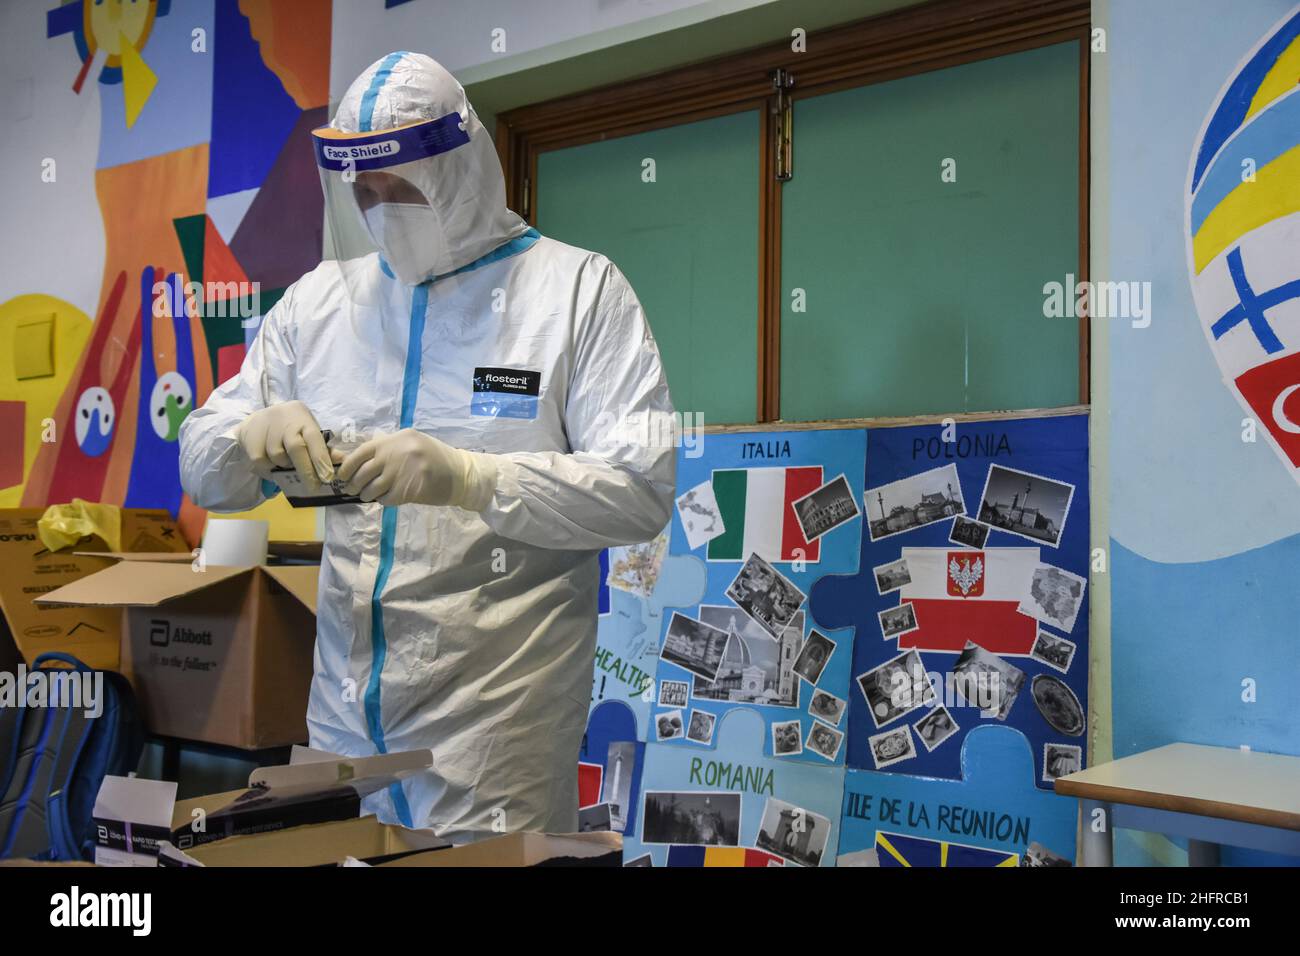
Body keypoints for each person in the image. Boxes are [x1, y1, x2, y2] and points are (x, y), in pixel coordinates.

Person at [178, 52, 676, 841]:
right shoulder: (320, 306)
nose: (382, 210)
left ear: (461, 168)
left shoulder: (576, 293)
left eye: (404, 189)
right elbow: (204, 468)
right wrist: (243, 435)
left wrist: (472, 478)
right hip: (342, 721)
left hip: (493, 733)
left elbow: (639, 489)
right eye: (364, 193)